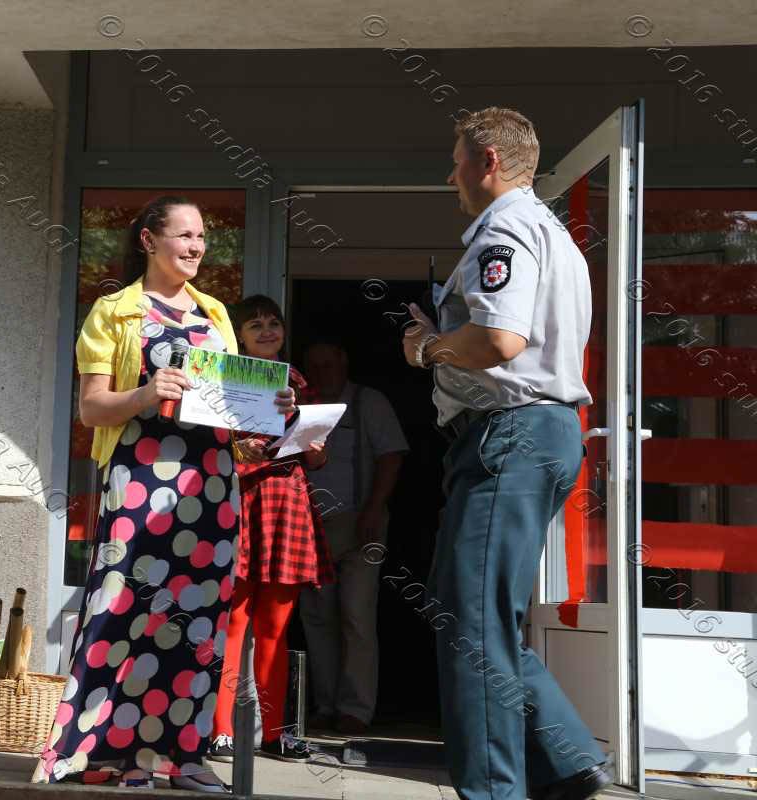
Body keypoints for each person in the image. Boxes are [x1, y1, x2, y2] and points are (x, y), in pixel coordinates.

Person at [31, 197, 298, 792]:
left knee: (198, 624)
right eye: (185, 235)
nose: (197, 246)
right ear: (149, 241)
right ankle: (110, 754)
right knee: (124, 610)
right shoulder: (114, 311)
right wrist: (147, 394)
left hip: (212, 484)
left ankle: (183, 756)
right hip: (141, 479)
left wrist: (269, 413)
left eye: (202, 236)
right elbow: (91, 408)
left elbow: (227, 410)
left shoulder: (216, 313)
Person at [402, 107, 611, 800]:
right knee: (477, 614)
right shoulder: (550, 231)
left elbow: (499, 339)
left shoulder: (505, 228)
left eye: (457, 160)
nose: (451, 176)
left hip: (509, 435)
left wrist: (428, 348)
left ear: (488, 161)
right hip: (533, 433)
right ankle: (567, 760)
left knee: (470, 624)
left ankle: (495, 790)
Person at [207, 295, 331, 765]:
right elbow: (211, 444)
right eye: (255, 324)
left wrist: (314, 445)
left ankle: (276, 735)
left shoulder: (297, 380)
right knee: (233, 622)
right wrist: (238, 452)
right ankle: (220, 731)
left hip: (286, 502)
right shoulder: (223, 377)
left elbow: (318, 455)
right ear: (239, 336)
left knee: (276, 628)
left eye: (273, 322)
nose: (266, 330)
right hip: (239, 500)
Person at [298, 341, 407, 736]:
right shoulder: (303, 403)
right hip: (310, 526)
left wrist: (374, 509)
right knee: (317, 617)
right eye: (314, 366)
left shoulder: (368, 402)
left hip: (360, 522)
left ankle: (355, 710)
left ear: (344, 362)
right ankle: (326, 706)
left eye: (328, 364)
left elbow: (391, 456)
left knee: (356, 615)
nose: (322, 373)